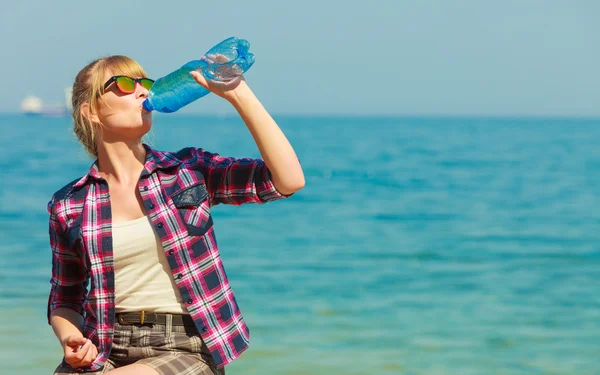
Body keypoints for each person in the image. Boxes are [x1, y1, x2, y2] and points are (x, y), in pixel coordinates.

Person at [48, 55, 305, 375]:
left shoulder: (188, 170)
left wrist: (238, 93)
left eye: (145, 83)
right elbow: (65, 297)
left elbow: (288, 180)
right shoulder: (68, 204)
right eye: (125, 84)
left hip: (187, 346)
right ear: (91, 111)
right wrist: (71, 338)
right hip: (104, 348)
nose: (142, 91)